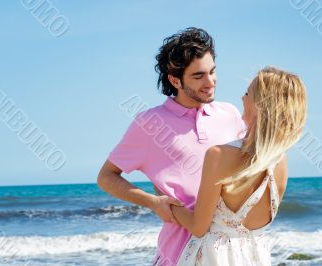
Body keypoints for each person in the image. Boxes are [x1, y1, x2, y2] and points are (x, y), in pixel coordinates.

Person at [97, 27, 245, 265]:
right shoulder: (149, 124)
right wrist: (153, 202)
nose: (210, 82)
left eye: (213, 71)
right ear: (175, 79)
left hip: (231, 253)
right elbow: (106, 177)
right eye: (198, 76)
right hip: (178, 254)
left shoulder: (230, 113)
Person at [171, 67, 307, 265]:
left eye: (247, 93)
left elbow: (198, 227)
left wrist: (167, 204)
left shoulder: (219, 155)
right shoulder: (280, 161)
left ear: (260, 105)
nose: (242, 98)